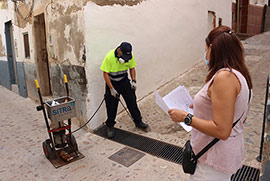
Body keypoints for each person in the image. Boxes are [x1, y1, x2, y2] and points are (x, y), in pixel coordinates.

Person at [168, 25, 253, 180]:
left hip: (211, 160)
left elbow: (222, 130)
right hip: (219, 155)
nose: (205, 53)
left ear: (212, 48)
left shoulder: (224, 78)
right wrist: (203, 107)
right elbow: (237, 115)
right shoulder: (240, 75)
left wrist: (186, 117)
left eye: (206, 48)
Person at [100, 42, 149, 138]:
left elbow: (132, 68)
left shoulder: (129, 56)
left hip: (124, 81)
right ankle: (110, 126)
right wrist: (111, 89)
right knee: (111, 106)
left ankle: (138, 122)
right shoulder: (109, 57)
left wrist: (134, 81)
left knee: (132, 102)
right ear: (119, 51)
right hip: (112, 83)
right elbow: (105, 74)